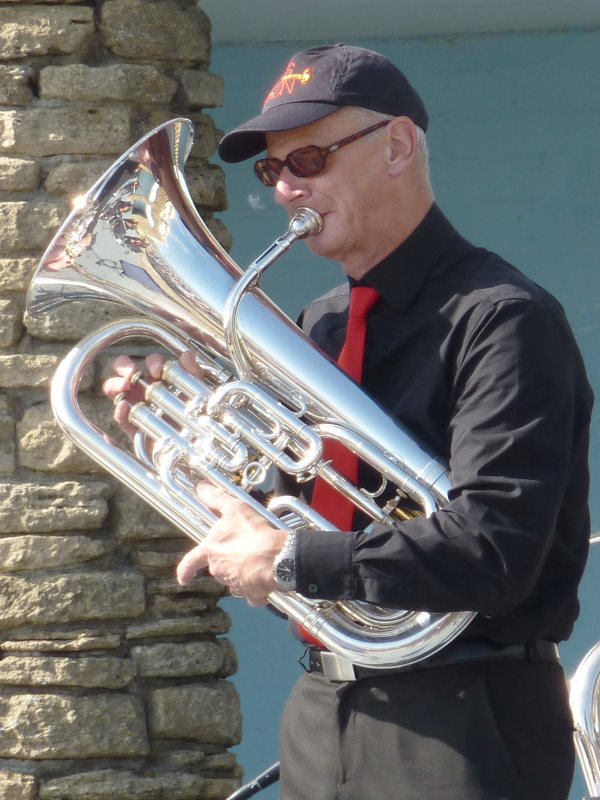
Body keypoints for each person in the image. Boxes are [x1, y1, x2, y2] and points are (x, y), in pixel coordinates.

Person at [103, 44, 594, 800]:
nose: (286, 187)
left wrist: (292, 558)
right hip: (323, 707)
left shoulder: (501, 319)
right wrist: (184, 438)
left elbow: (495, 548)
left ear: (396, 146)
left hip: (465, 715)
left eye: (309, 158)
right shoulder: (321, 325)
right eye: (273, 171)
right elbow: (285, 512)